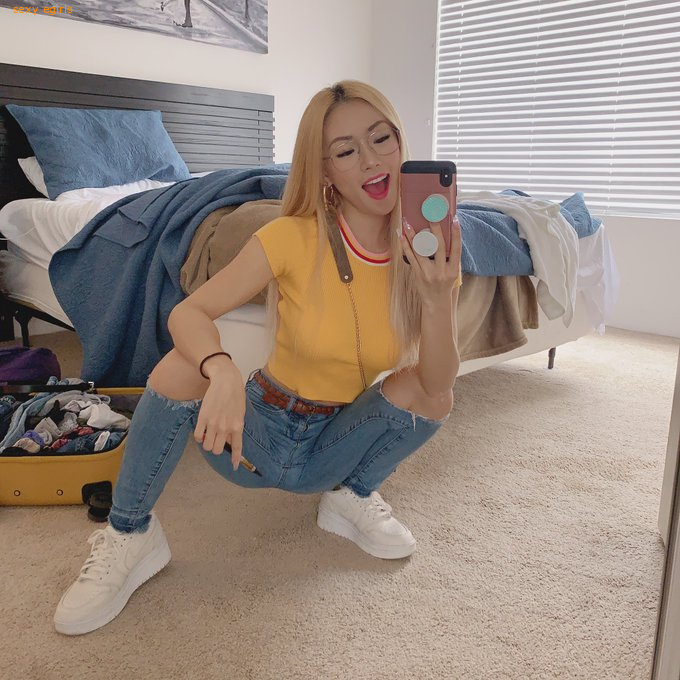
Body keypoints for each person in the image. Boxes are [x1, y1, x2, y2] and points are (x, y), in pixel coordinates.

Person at [53, 80, 463, 636]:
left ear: (400, 142)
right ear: (326, 171)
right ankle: (131, 534)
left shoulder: (428, 250)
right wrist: (221, 371)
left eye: (380, 139)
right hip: (257, 435)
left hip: (336, 442)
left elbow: (437, 387)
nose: (371, 160)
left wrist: (439, 298)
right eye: (346, 151)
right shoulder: (290, 236)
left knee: (430, 390)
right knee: (179, 366)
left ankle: (351, 496)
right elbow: (188, 313)